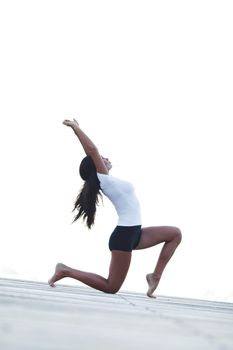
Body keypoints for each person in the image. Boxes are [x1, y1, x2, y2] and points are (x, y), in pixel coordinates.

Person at [48, 119, 182, 297]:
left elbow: (93, 154)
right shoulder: (104, 179)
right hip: (125, 236)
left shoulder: (108, 181)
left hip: (134, 233)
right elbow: (92, 150)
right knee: (111, 286)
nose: (105, 158)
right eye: (101, 159)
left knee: (174, 234)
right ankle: (65, 271)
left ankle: (155, 276)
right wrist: (76, 129)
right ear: (96, 167)